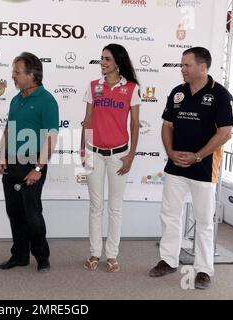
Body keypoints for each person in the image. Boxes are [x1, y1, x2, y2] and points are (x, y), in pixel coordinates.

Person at [149, 47, 233, 289]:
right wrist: (170, 152)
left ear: (202, 67)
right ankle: (168, 260)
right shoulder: (178, 92)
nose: (182, 69)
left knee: (204, 221)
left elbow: (225, 133)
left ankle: (204, 270)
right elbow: (167, 125)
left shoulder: (221, 95)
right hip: (175, 165)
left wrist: (197, 156)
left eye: (187, 65)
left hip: (204, 169)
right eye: (181, 65)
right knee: (169, 215)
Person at [0, 52, 59, 273]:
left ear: (32, 75)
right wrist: (2, 155)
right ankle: (20, 256)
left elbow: (51, 138)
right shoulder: (16, 99)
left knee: (32, 213)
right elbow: (7, 130)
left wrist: (38, 168)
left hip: (32, 164)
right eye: (13, 71)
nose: (13, 76)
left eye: (17, 72)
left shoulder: (47, 100)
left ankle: (42, 257)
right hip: (12, 164)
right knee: (14, 212)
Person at [81, 44, 140, 273]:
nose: (102, 62)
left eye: (106, 59)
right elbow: (87, 120)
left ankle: (112, 255)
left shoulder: (132, 88)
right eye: (101, 58)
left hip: (119, 155)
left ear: (118, 62)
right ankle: (95, 252)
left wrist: (131, 156)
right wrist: (83, 150)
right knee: (96, 206)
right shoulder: (93, 87)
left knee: (115, 207)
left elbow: (135, 125)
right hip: (94, 153)